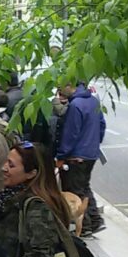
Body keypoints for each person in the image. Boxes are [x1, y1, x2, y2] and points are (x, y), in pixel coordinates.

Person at [56, 81, 106, 236]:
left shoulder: (75, 105)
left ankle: (85, 226)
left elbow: (71, 133)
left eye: (61, 87)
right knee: (84, 187)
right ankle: (95, 220)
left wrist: (61, 155)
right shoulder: (93, 100)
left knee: (75, 190)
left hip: (76, 156)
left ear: (70, 85)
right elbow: (102, 126)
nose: (59, 92)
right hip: (91, 153)